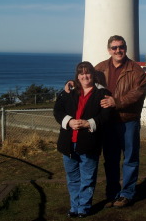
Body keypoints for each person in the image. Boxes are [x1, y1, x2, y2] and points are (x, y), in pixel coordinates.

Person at [66, 35, 146, 208]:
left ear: (125, 47)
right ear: (109, 49)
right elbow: (86, 79)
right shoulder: (100, 68)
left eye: (121, 47)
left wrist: (115, 101)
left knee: (130, 158)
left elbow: (138, 93)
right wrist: (72, 82)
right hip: (108, 121)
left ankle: (127, 193)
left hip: (128, 120)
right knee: (110, 159)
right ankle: (113, 193)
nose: (118, 50)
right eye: (114, 47)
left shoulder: (136, 70)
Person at [54, 61, 111, 218]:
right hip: (68, 143)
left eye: (88, 73)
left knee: (87, 177)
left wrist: (89, 123)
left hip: (89, 142)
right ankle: (74, 206)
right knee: (72, 178)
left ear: (93, 74)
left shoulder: (102, 93)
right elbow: (57, 110)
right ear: (77, 76)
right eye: (81, 73)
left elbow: (106, 116)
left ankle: (83, 207)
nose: (85, 76)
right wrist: (69, 121)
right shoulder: (69, 91)